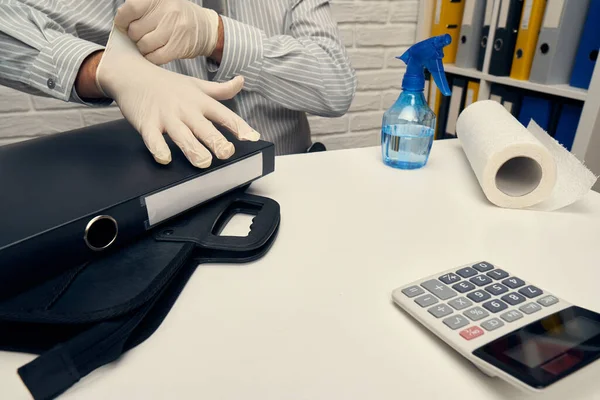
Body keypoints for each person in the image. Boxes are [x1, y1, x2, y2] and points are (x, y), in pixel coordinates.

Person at [0, 0, 356, 167]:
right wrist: (104, 69)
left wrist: (218, 36)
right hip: (181, 195)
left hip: (289, 173)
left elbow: (336, 85)